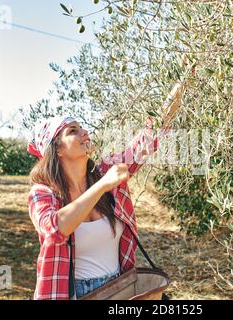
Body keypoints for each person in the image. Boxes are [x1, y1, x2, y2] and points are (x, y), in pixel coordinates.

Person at [27, 60, 195, 300]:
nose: (84, 132)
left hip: (119, 288)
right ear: (57, 150)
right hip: (74, 294)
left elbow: (149, 136)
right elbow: (54, 229)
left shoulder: (105, 170)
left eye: (82, 127)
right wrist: (102, 185)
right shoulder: (44, 193)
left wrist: (181, 83)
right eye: (72, 131)